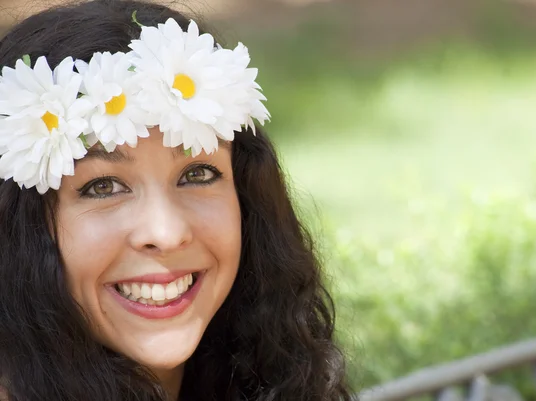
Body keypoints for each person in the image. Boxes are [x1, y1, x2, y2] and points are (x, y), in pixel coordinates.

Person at [0, 0, 354, 400]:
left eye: (197, 174)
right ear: (16, 226)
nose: (166, 233)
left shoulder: (271, 380)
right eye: (103, 186)